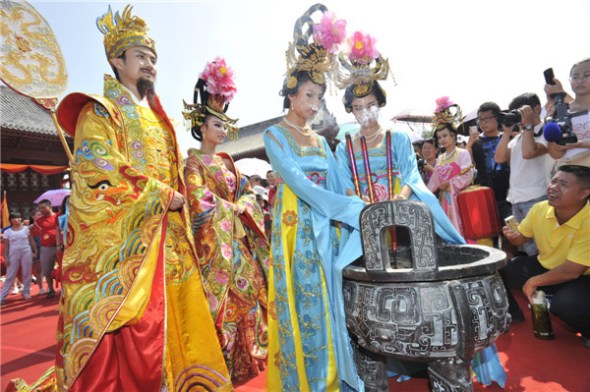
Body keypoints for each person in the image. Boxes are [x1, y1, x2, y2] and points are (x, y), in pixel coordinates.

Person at [10, 5, 230, 391]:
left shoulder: (161, 120)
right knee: (140, 328)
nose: (150, 65)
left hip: (172, 240)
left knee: (184, 322)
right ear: (117, 60)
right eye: (141, 57)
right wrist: (160, 195)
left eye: (153, 59)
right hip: (132, 247)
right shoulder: (100, 112)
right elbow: (98, 169)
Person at [263, 5, 368, 391]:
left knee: (332, 296)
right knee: (306, 298)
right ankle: (308, 381)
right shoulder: (275, 136)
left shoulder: (322, 142)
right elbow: (299, 183)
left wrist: (356, 202)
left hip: (329, 223)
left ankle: (336, 373)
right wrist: (348, 208)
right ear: (292, 94)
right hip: (298, 224)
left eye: (320, 97)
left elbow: (340, 181)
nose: (314, 103)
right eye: (309, 94)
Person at [183, 58, 269, 383]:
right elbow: (196, 198)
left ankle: (244, 361)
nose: (222, 131)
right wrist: (226, 209)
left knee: (251, 292)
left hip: (235, 242)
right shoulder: (192, 164)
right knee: (218, 308)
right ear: (201, 128)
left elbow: (247, 192)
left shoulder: (227, 162)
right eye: (216, 125)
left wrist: (242, 206)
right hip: (212, 248)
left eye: (223, 125)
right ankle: (219, 366)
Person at [333, 33, 463, 244]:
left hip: (402, 210)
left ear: (380, 104)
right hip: (364, 213)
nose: (364, 112)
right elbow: (343, 181)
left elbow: (411, 173)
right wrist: (357, 200)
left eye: (370, 105)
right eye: (358, 107)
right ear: (351, 110)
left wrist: (401, 197)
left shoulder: (398, 138)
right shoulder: (344, 148)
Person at [500, 165, 590, 347]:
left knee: (566, 305)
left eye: (563, 184)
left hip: (581, 276)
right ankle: (513, 313)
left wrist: (534, 281)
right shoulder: (540, 208)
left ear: (583, 193)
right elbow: (521, 239)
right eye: (553, 181)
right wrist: (513, 237)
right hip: (546, 265)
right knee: (497, 272)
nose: (553, 187)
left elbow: (573, 270)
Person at [494, 93, 553, 256]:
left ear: (537, 109)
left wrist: (528, 126)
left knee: (542, 248)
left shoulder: (546, 131)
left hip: (537, 198)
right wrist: (506, 132)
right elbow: (499, 158)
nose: (518, 117)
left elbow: (529, 152)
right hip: (516, 200)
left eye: (520, 112)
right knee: (527, 249)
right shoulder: (517, 138)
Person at [427, 97, 474, 236]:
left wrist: (450, 184)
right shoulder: (440, 158)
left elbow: (468, 175)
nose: (442, 139)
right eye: (440, 137)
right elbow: (434, 181)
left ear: (453, 136)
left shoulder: (462, 154)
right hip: (444, 201)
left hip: (459, 200)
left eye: (445, 136)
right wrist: (424, 194)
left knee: (462, 229)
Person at [468, 102, 512, 221]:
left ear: (497, 118)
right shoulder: (476, 142)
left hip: (508, 193)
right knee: (488, 233)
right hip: (485, 193)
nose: (483, 123)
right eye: (480, 120)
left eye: (487, 119)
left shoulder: (508, 136)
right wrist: (469, 146)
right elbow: (469, 166)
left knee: (510, 230)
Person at [545, 58, 590, 167]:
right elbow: (555, 154)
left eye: (587, 75)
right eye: (575, 77)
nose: (580, 81)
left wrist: (579, 145)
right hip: (569, 171)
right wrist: (549, 125)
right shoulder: (560, 110)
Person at [0, 212, 37, 305]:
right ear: (10, 220)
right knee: (10, 275)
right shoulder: (7, 232)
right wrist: (6, 257)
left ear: (21, 219)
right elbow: (6, 246)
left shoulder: (26, 229)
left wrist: (35, 251)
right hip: (13, 253)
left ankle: (26, 292)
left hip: (26, 251)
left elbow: (31, 240)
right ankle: (2, 296)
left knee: (26, 273)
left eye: (18, 218)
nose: (16, 220)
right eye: (13, 218)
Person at [30, 199, 58, 298]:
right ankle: (51, 289)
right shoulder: (38, 221)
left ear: (49, 206)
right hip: (46, 247)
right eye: (39, 208)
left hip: (60, 247)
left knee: (63, 268)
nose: (40, 210)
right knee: (47, 270)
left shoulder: (58, 216)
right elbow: (33, 233)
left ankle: (64, 289)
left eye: (43, 208)